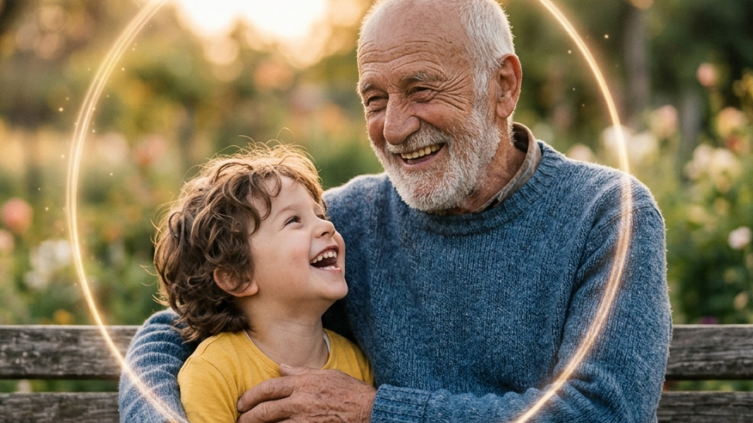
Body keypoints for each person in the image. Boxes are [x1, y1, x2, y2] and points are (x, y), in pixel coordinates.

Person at [120, 0, 672, 421]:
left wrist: (376, 411)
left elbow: (605, 409)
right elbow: (175, 330)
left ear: (502, 87)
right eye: (375, 100)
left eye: (421, 89)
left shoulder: (608, 215)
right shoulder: (345, 223)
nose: (395, 126)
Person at [153, 145, 374, 422]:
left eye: (320, 216)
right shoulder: (213, 371)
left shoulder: (356, 363)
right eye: (294, 220)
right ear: (237, 277)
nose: (327, 226)